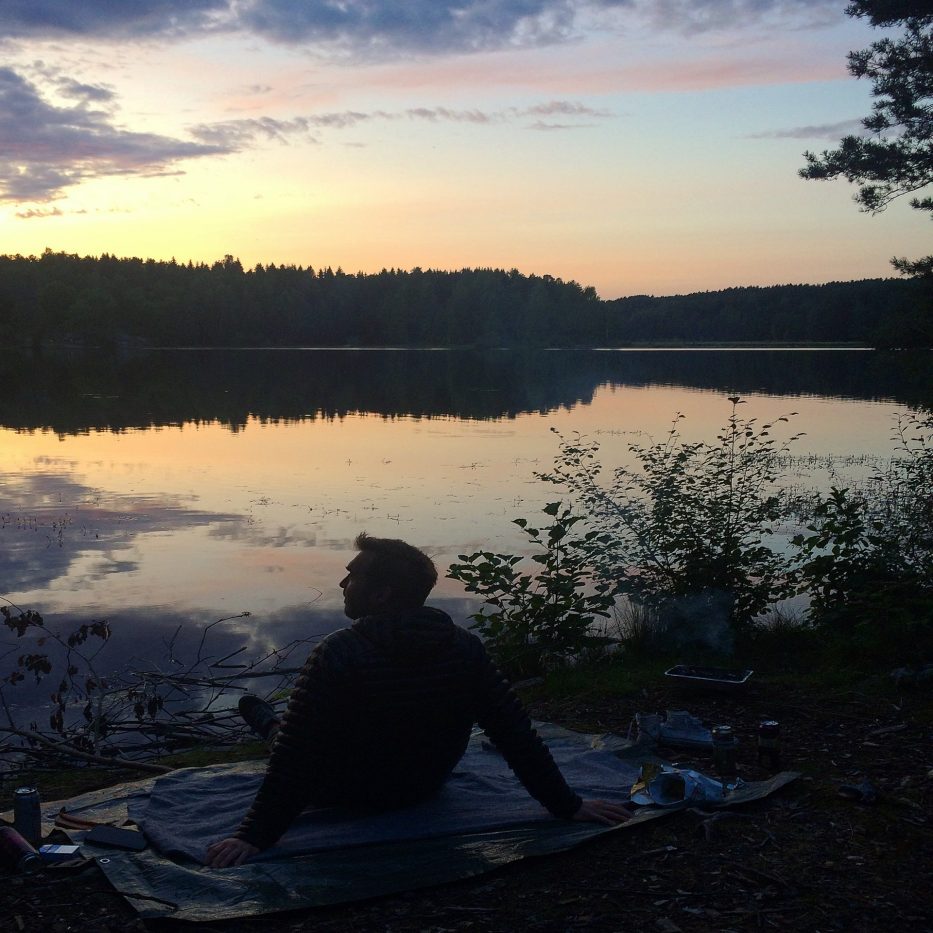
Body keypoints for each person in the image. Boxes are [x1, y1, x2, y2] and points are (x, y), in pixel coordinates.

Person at [206, 533, 630, 868]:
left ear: (381, 596)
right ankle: (265, 718)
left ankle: (263, 719)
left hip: (344, 792)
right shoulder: (465, 646)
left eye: (352, 575)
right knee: (297, 731)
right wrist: (567, 805)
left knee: (283, 735)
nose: (341, 583)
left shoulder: (339, 651)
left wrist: (253, 836)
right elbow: (513, 733)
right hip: (424, 786)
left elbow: (296, 758)